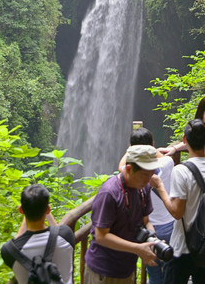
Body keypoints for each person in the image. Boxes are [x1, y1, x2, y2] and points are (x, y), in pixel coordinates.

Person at [84, 144, 163, 284]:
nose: (149, 179)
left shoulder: (143, 188)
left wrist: (153, 241)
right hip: (103, 272)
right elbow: (101, 236)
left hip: (127, 269)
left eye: (152, 174)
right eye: (145, 175)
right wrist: (138, 249)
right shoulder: (109, 194)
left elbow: (146, 221)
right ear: (129, 169)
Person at [150, 119, 205, 284]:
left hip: (183, 248)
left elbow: (176, 212)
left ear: (184, 140)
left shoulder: (182, 171)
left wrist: (159, 186)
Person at [119, 128, 174, 284]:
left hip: (148, 227)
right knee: (170, 266)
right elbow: (160, 157)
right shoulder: (168, 162)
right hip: (170, 223)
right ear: (153, 145)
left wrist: (131, 150)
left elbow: (121, 166)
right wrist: (153, 150)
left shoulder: (133, 171)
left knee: (154, 269)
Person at [1, 184, 75, 284]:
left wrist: (28, 210)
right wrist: (43, 208)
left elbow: (17, 241)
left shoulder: (9, 251)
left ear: (21, 210)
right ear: (48, 210)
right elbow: (56, 230)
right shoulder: (66, 235)